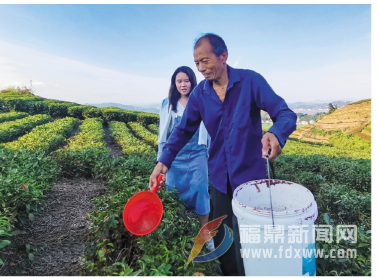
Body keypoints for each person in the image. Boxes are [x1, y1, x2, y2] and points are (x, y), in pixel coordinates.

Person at [150, 33, 297, 276]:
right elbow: (182, 131)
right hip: (219, 178)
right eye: (197, 63)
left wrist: (276, 133)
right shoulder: (199, 95)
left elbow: (285, 113)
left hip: (252, 178)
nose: (200, 68)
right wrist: (162, 162)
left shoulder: (250, 81)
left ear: (223, 56)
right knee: (224, 238)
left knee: (253, 238)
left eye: (205, 61)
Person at [156, 66, 214, 250]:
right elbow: (163, 136)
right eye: (179, 81)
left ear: (192, 82)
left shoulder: (200, 101)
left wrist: (211, 153)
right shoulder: (168, 104)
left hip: (197, 153)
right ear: (174, 83)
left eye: (186, 80)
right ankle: (180, 230)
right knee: (174, 192)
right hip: (175, 157)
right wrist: (161, 162)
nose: (183, 84)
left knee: (201, 192)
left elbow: (210, 130)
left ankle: (205, 234)